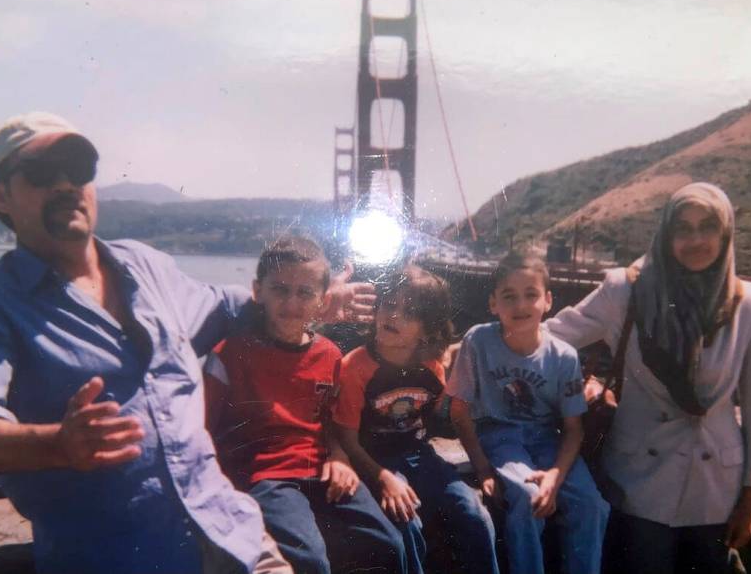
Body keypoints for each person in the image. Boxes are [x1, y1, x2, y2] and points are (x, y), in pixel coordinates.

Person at [0, 112, 373, 574]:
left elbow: (229, 306)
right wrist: (57, 444)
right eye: (43, 173)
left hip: (230, 533)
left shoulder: (146, 267)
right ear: (0, 194)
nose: (65, 184)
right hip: (118, 555)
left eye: (78, 169)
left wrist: (314, 303)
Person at [544, 182, 751, 573]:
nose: (695, 239)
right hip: (639, 482)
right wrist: (471, 347)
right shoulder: (626, 290)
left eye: (708, 227)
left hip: (715, 489)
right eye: (682, 228)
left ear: (726, 233)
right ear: (666, 235)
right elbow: (548, 336)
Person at [204, 236, 408, 574]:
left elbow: (330, 420)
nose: (292, 303)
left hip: (320, 469)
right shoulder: (230, 353)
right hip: (268, 477)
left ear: (322, 300)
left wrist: (340, 458)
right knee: (312, 560)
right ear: (258, 291)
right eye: (280, 289)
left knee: (389, 542)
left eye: (305, 293)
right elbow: (203, 429)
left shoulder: (328, 354)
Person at [447, 253, 609, 574]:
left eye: (531, 295)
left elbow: (573, 428)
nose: (520, 305)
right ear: (493, 303)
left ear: (547, 301)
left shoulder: (563, 356)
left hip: (547, 440)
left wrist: (556, 476)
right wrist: (483, 470)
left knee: (591, 505)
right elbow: (459, 410)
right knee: (526, 495)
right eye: (509, 296)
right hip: (499, 435)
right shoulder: (478, 341)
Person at [333, 265, 499, 574]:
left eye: (408, 312)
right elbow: (347, 440)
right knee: (405, 519)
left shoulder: (431, 366)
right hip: (374, 459)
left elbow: (439, 414)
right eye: (389, 305)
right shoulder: (354, 368)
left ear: (427, 329)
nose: (392, 316)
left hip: (420, 456)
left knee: (475, 513)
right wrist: (383, 478)